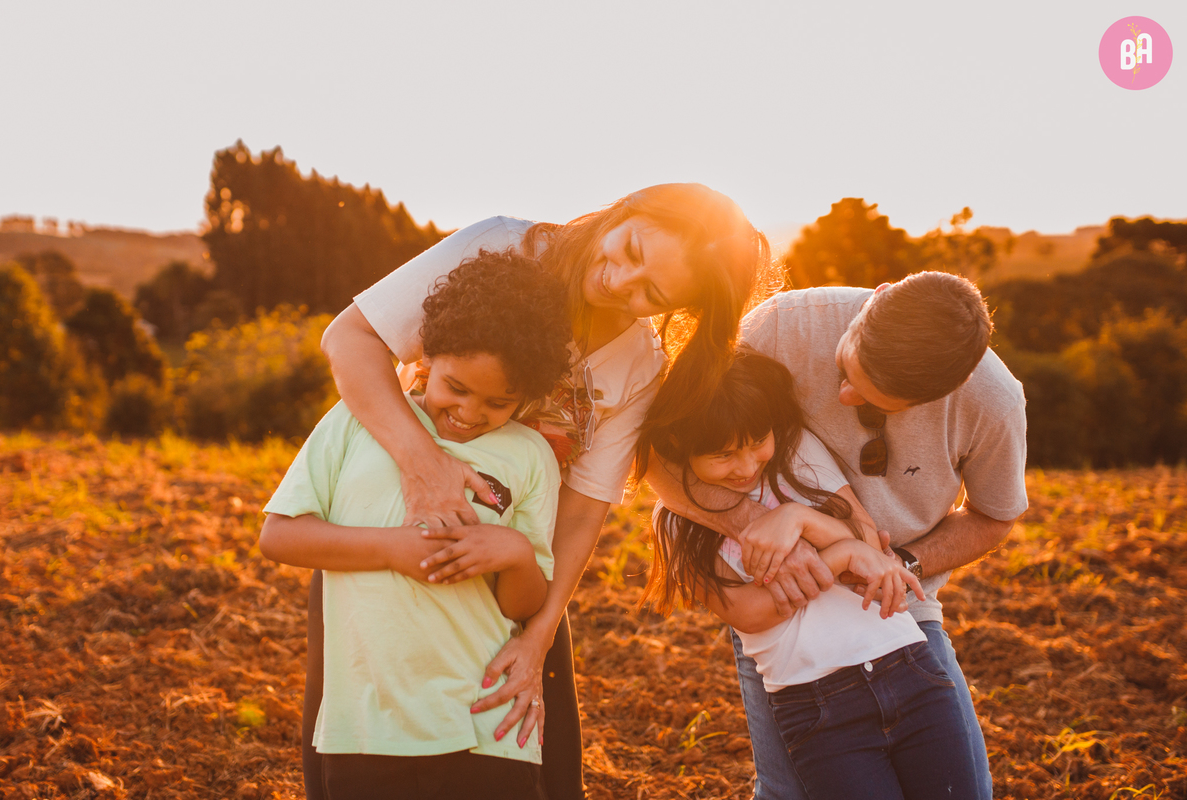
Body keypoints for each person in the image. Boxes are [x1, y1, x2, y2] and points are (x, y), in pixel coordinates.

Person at [317, 183, 772, 799]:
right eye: (631, 249)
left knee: (519, 762)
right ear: (628, 208)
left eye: (652, 295)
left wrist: (537, 636)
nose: (621, 284)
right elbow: (350, 340)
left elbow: (583, 509)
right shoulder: (504, 244)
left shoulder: (640, 363)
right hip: (398, 528)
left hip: (515, 570)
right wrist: (423, 465)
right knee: (375, 743)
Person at [646, 271, 1028, 800]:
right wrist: (758, 528)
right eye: (848, 369)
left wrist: (892, 565)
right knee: (787, 790)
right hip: (791, 637)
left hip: (895, 611)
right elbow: (658, 443)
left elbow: (993, 517)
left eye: (877, 399)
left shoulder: (993, 403)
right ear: (877, 299)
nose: (844, 395)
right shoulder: (779, 328)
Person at [259, 250, 573, 799]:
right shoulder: (357, 421)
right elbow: (279, 535)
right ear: (427, 352)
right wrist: (391, 550)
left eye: (500, 402)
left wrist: (514, 553)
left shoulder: (529, 456)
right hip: (366, 724)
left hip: (486, 724)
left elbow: (523, 603)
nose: (471, 413)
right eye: (455, 387)